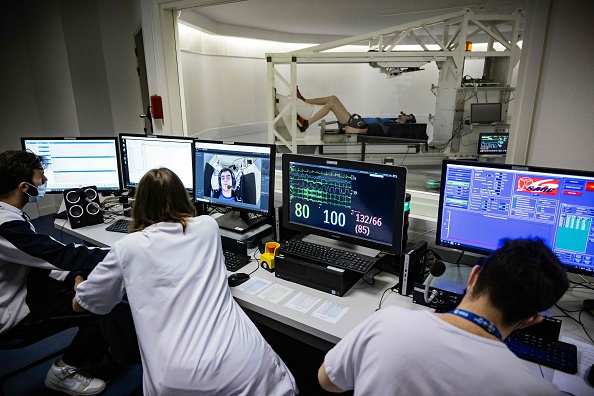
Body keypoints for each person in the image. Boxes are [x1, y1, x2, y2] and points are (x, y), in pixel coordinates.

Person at [73, 168, 298, 395]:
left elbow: (85, 303)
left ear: (138, 204)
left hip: (178, 379)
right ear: (184, 198)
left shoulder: (126, 248)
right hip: (244, 364)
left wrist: (79, 282)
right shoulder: (208, 227)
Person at [318, 238, 569, 395]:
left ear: (473, 277)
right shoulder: (535, 389)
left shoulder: (387, 321)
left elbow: (327, 381)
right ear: (532, 319)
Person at [0, 150, 110, 395]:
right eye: (40, 177)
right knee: (104, 304)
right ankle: (64, 371)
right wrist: (124, 253)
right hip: (14, 316)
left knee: (90, 277)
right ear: (23, 187)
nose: (45, 181)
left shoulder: (9, 214)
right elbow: (61, 255)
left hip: (24, 287)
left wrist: (73, 276)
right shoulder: (6, 226)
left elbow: (37, 257)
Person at [295, 87, 368, 134]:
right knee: (333, 98)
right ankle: (304, 100)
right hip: (355, 121)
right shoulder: (378, 122)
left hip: (353, 125)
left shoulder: (378, 127)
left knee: (331, 104)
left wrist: (356, 131)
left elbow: (370, 131)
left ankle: (306, 124)